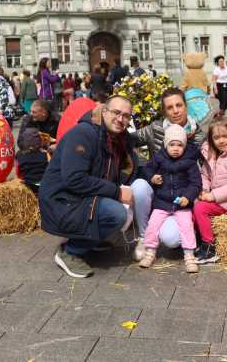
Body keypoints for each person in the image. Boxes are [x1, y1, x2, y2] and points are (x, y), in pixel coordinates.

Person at [39, 96, 138, 278]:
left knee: (122, 203)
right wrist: (116, 192)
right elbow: (74, 179)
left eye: (126, 116)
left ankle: (89, 238)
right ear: (104, 111)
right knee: (117, 213)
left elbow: (130, 167)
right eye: (116, 112)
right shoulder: (84, 134)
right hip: (61, 201)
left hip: (78, 197)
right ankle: (70, 252)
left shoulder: (115, 138)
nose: (120, 119)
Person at [137, 125, 202, 273]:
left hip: (181, 203)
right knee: (153, 224)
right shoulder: (159, 157)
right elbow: (147, 169)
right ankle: (150, 251)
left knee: (186, 225)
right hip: (162, 201)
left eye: (180, 145)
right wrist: (152, 177)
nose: (176, 148)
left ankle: (189, 255)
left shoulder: (190, 162)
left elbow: (196, 183)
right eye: (172, 144)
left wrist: (188, 196)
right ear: (166, 145)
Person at [192, 115, 227, 264]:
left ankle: (210, 247)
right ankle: (199, 240)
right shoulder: (211, 154)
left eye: (225, 136)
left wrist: (213, 195)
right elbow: (205, 175)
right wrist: (204, 189)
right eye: (216, 137)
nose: (221, 141)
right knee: (193, 207)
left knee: (201, 208)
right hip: (214, 198)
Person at [16, 127, 49, 195]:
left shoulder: (19, 155)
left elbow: (18, 173)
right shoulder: (45, 154)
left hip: (29, 186)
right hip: (44, 186)